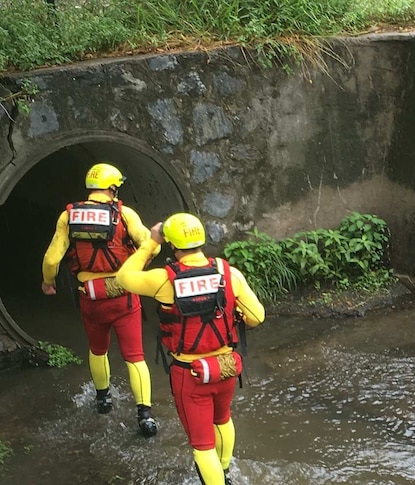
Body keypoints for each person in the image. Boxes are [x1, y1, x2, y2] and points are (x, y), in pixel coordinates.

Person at [116, 212, 265, 485]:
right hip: (226, 368)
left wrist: (151, 242)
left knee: (202, 445)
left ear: (172, 246)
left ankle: (216, 479)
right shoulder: (228, 273)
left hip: (190, 374)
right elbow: (257, 316)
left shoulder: (164, 279)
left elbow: (124, 278)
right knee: (222, 419)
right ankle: (225, 472)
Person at [40, 162, 159, 437]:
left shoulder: (68, 216)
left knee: (97, 350)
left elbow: (52, 258)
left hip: (91, 298)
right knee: (135, 357)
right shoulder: (125, 214)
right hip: (123, 297)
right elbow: (149, 242)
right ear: (113, 187)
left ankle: (103, 399)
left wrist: (48, 282)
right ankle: (145, 415)